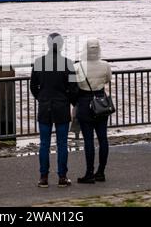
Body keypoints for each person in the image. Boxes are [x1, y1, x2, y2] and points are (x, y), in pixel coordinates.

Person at [30, 33, 78, 188]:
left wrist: (41, 98)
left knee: (44, 144)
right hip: (62, 107)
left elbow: (33, 86)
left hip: (44, 107)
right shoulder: (68, 64)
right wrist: (70, 101)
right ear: (62, 45)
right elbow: (73, 88)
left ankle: (43, 178)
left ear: (48, 44)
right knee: (62, 144)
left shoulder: (38, 62)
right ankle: (62, 177)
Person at [74, 38, 112, 184]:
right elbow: (108, 79)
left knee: (88, 140)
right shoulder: (105, 65)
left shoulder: (78, 66)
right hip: (101, 102)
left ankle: (89, 173)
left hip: (84, 103)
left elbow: (73, 85)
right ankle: (101, 172)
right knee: (103, 139)